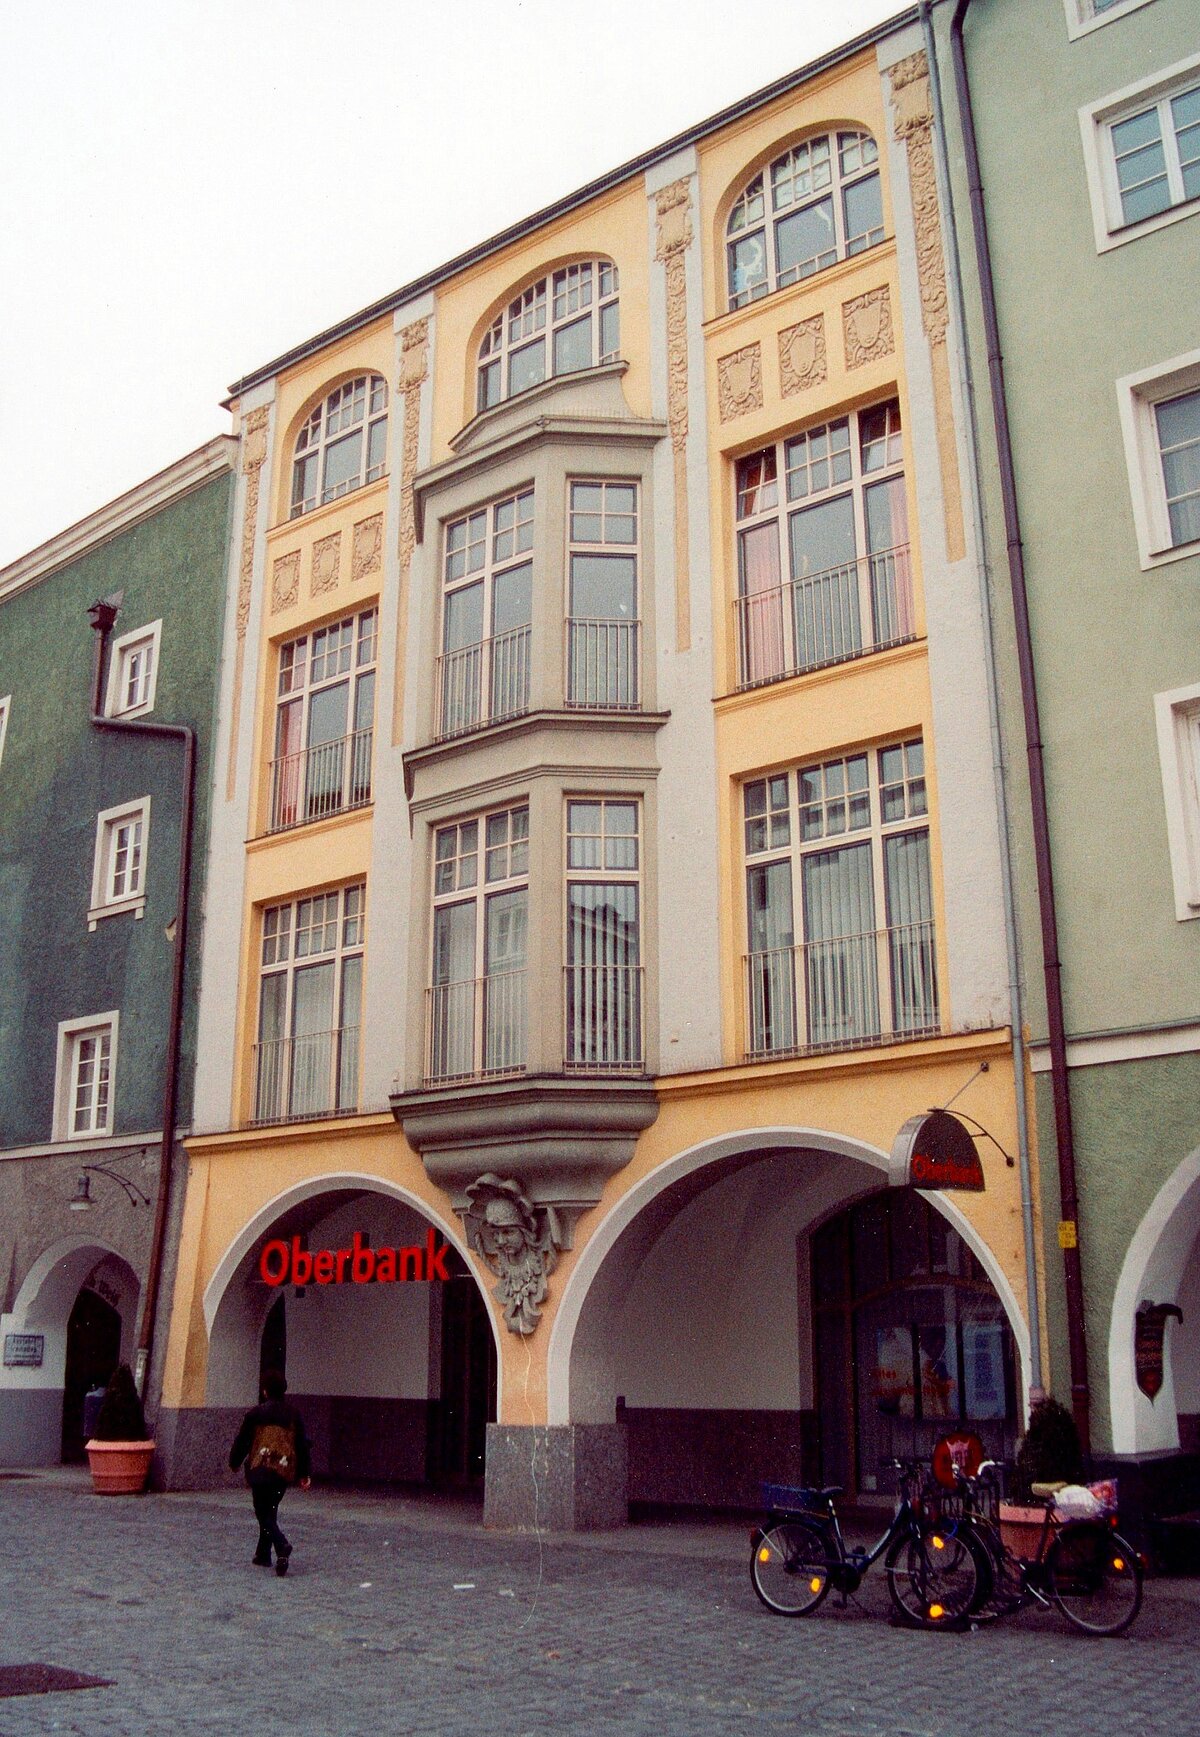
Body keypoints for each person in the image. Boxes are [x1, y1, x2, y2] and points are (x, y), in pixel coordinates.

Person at [229, 1369, 311, 1575]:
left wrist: (234, 1461)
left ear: (265, 1391)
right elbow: (301, 1444)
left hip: (260, 1466)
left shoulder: (255, 1414)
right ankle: (264, 1554)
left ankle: (281, 1545)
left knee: (262, 1511)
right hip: (283, 1469)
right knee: (270, 1509)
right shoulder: (294, 1414)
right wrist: (304, 1473)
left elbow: (243, 1440)